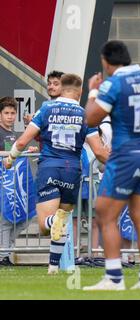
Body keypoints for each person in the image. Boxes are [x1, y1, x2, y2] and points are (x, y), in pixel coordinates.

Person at [83, 40, 140, 291]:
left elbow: (91, 117)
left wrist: (92, 91)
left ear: (106, 61)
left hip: (125, 156)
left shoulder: (114, 83)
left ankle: (113, 278)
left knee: (104, 213)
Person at [2, 74, 109, 274]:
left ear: (62, 89)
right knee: (62, 218)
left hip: (50, 167)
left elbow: (23, 140)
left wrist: (10, 159)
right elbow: (100, 152)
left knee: (46, 225)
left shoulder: (47, 109)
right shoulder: (85, 115)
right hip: (72, 171)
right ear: (79, 92)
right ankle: (53, 266)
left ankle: (53, 240)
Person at [0, 97, 38, 266]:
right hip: (4, 183)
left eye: (12, 113)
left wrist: (27, 150)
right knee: (5, 220)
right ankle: (4, 256)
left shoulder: (13, 135)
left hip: (15, 184)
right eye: (6, 113)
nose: (10, 116)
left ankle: (5, 250)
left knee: (25, 217)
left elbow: (15, 153)